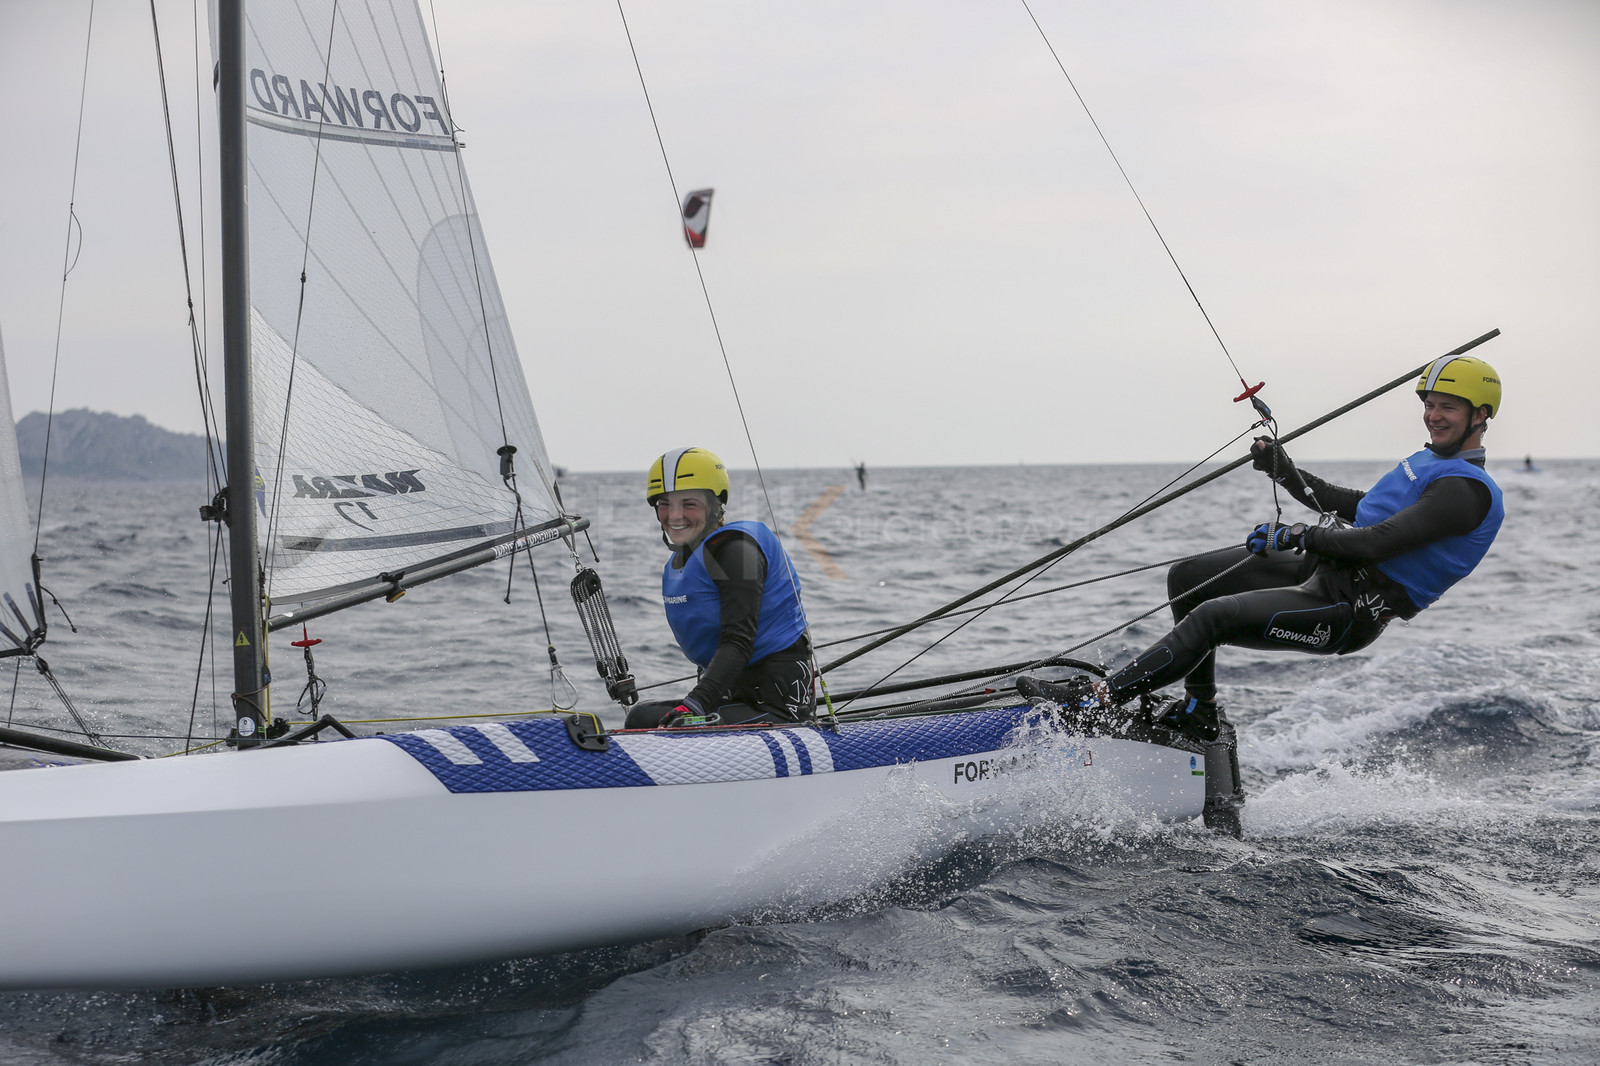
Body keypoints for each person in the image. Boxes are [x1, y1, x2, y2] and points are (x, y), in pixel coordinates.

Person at [1018, 354, 1505, 744]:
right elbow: (1359, 508)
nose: (1433, 415)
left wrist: (1297, 536)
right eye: (1431, 403)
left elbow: (1380, 542)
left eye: (1448, 407)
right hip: (1321, 570)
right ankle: (1199, 713)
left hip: (1352, 608)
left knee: (1213, 616)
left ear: (1479, 416)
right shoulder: (1427, 462)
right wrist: (1282, 468)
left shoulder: (1466, 491)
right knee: (1188, 578)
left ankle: (1094, 702)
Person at [625, 447, 816, 729]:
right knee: (639, 716)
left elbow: (738, 640)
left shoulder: (737, 550)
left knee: (651, 722)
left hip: (778, 706)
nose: (674, 515)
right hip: (727, 698)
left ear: (715, 505)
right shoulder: (683, 563)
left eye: (688, 503)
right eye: (664, 504)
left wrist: (696, 703)